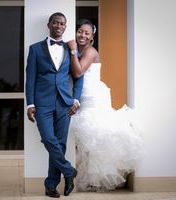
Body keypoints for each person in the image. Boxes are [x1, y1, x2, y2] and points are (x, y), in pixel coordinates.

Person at [68, 18, 144, 192]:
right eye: (80, 31)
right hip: (81, 96)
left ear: (92, 36)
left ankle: (97, 180)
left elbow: (78, 71)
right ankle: (85, 176)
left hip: (93, 96)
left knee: (95, 136)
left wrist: (72, 50)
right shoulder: (76, 50)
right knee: (85, 138)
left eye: (87, 32)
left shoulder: (91, 51)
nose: (82, 35)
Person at [25, 12, 84, 198]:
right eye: (56, 23)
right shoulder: (35, 49)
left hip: (64, 103)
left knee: (60, 144)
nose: (59, 26)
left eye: (62, 24)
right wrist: (30, 104)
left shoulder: (71, 48)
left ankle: (51, 186)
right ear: (49, 25)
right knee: (49, 140)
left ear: (65, 27)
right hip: (42, 103)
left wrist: (76, 99)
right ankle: (68, 171)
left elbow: (78, 76)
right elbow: (30, 79)